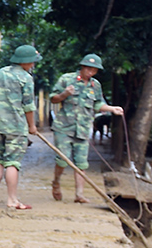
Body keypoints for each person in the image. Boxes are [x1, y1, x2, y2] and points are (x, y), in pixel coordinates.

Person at [49, 54, 124, 203]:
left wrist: (112, 109)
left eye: (94, 70)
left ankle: (79, 194)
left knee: (81, 163)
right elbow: (53, 98)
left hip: (82, 129)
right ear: (82, 67)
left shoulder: (95, 85)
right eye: (88, 68)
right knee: (62, 160)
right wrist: (64, 94)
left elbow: (97, 104)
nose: (90, 72)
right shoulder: (67, 79)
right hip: (64, 127)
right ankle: (56, 182)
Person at [0, 45, 40, 210]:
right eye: (32, 62)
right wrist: (32, 126)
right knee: (12, 162)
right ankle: (12, 200)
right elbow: (28, 106)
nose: (33, 65)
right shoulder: (25, 78)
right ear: (26, 62)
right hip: (15, 127)